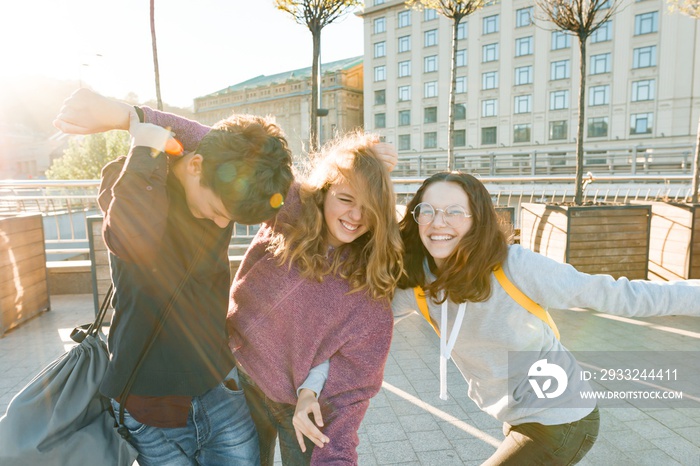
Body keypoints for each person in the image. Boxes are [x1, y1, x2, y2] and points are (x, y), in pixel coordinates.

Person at [54, 88, 297, 465]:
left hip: (219, 388)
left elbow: (226, 142)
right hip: (150, 403)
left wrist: (131, 113)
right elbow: (130, 240)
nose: (222, 223)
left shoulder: (228, 180)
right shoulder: (133, 179)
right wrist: (144, 144)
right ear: (196, 165)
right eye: (218, 210)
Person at [391, 171, 700, 465]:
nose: (438, 222)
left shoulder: (516, 267)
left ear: (477, 220)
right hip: (517, 416)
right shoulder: (420, 283)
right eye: (427, 210)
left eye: (455, 211)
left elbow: (618, 294)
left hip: (562, 418)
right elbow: (361, 321)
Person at [155, 108, 403, 464]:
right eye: (346, 199)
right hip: (234, 379)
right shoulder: (291, 209)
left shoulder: (370, 289)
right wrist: (128, 114)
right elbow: (227, 147)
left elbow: (352, 395)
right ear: (325, 191)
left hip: (298, 408)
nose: (355, 217)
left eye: (369, 208)